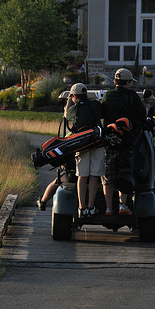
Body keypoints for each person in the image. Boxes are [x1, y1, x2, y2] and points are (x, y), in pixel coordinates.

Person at [101, 68, 147, 216]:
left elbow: (102, 114)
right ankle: (123, 204)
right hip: (127, 143)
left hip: (110, 142)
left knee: (108, 175)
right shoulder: (132, 96)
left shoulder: (108, 95)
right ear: (128, 82)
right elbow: (142, 115)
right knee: (124, 172)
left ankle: (108, 208)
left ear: (115, 81)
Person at [64, 83, 105, 218]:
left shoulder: (74, 109)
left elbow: (66, 116)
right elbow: (102, 113)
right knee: (94, 175)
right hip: (97, 143)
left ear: (74, 96)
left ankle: (81, 207)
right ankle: (91, 206)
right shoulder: (94, 105)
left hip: (82, 145)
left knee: (82, 175)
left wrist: (69, 101)